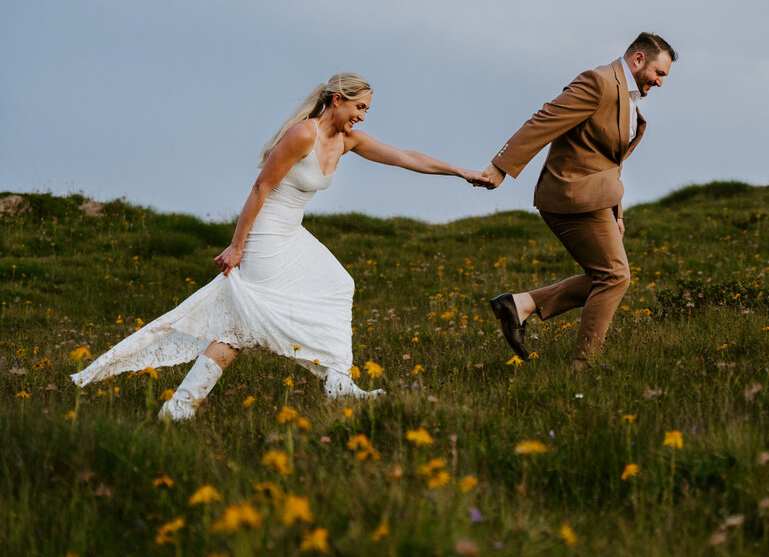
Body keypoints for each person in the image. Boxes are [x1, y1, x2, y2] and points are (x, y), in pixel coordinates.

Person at [71, 73, 489, 420]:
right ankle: (180, 410)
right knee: (243, 326)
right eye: (359, 108)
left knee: (336, 286)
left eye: (366, 112)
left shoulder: (348, 140)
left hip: (292, 231)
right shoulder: (302, 134)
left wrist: (459, 171)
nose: (361, 118)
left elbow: (405, 157)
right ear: (338, 100)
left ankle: (337, 381)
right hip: (265, 232)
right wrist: (237, 246)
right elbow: (260, 188)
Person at [482, 32, 676, 368]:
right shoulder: (599, 82)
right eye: (659, 73)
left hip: (595, 198)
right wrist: (501, 166)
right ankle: (583, 367)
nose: (660, 82)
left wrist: (616, 212)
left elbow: (607, 159)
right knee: (614, 277)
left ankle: (520, 305)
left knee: (607, 277)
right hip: (569, 193)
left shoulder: (629, 97)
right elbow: (545, 120)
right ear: (638, 59)